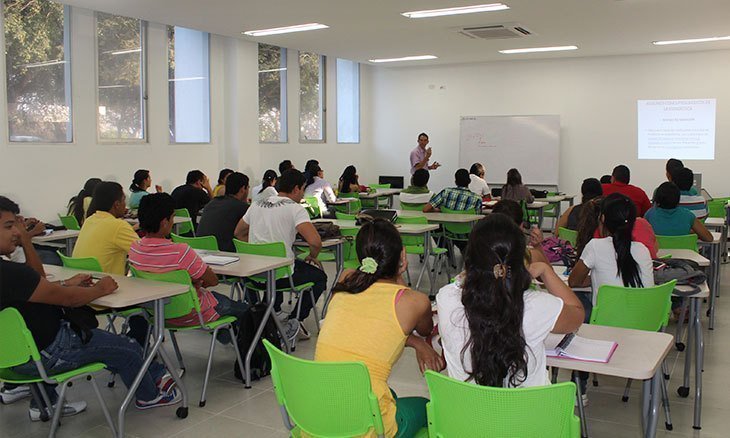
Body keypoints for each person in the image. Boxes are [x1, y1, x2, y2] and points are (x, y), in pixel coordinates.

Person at [0, 196, 181, 414]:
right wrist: (99, 289)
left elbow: (35, 285)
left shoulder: (10, 274)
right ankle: (149, 397)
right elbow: (68, 299)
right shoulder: (10, 273)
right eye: (9, 226)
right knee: (128, 347)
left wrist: (66, 282)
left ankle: (45, 404)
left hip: (11, 359)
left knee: (107, 344)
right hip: (50, 352)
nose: (18, 232)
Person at [316, 219, 441, 438]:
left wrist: (415, 343)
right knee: (425, 407)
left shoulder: (346, 278)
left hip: (316, 412)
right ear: (402, 256)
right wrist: (419, 341)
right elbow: (423, 329)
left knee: (387, 392)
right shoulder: (415, 302)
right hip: (366, 428)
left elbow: (374, 323)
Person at [437, 214, 584, 389]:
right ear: (521, 258)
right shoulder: (538, 305)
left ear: (471, 257)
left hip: (467, 414)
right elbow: (577, 313)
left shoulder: (446, 298)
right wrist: (545, 270)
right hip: (528, 415)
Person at [129, 193, 250, 343]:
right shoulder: (180, 251)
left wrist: (187, 282)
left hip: (157, 313)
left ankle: (227, 336)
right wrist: (194, 281)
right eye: (172, 217)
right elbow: (212, 281)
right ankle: (248, 357)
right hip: (194, 312)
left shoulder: (135, 249)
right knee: (247, 312)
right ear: (164, 222)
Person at [235, 169, 327, 339]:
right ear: (296, 189)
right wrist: (312, 256)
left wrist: (256, 248)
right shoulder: (295, 208)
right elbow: (315, 242)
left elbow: (239, 233)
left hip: (253, 275)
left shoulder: (256, 204)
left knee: (283, 261)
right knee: (319, 277)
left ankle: (272, 313)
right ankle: (295, 320)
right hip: (281, 275)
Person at [569, 193, 655, 303]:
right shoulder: (643, 250)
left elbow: (574, 281)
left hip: (605, 319)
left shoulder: (595, 246)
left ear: (603, 218)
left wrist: (596, 278)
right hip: (644, 318)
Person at [73, 182, 138, 275]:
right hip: (107, 284)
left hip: (82, 281)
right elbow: (144, 254)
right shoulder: (119, 226)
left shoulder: (90, 220)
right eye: (124, 200)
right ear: (116, 204)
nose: (125, 205)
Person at [197, 172, 250, 252]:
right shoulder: (242, 208)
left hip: (200, 251)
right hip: (225, 254)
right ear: (243, 189)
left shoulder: (212, 203)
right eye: (248, 187)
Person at [645, 182, 713, 242]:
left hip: (659, 255)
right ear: (678, 199)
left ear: (657, 199)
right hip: (685, 255)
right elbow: (709, 238)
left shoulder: (649, 214)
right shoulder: (688, 215)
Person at [491, 199, 549, 264]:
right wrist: (538, 247)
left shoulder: (481, 254)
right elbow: (549, 271)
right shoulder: (530, 257)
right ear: (521, 226)